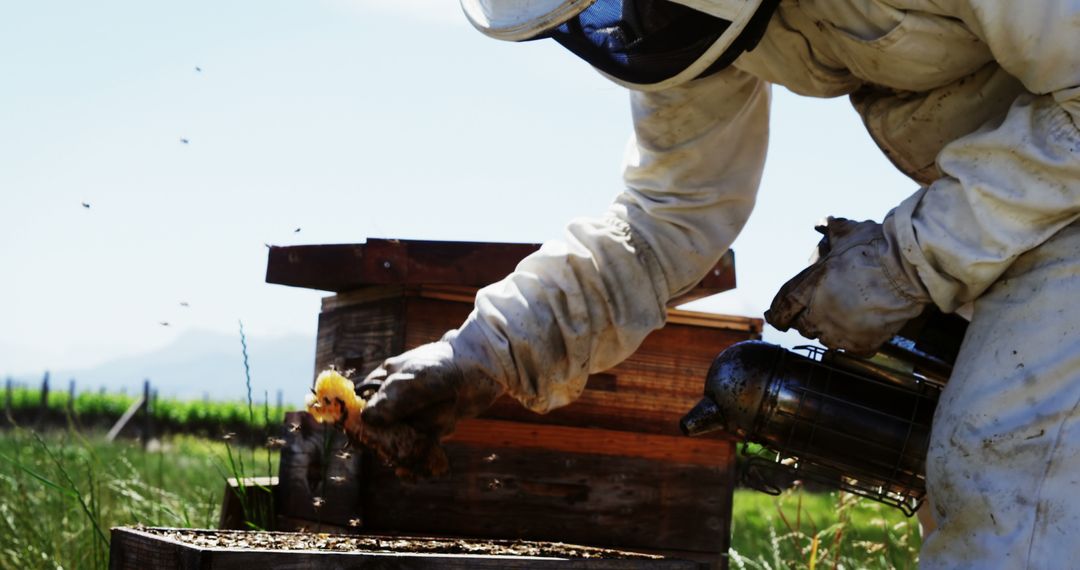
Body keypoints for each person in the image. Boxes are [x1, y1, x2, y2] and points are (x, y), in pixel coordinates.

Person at [358, 1, 1080, 567]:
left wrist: (907, 258)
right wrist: (483, 353)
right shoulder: (678, 24)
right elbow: (666, 217)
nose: (619, 22)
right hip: (1043, 205)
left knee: (1009, 483)